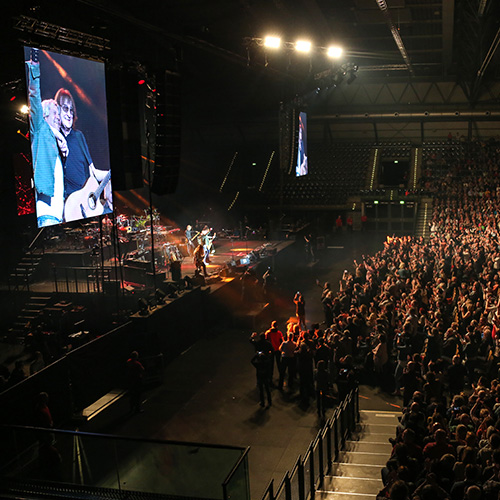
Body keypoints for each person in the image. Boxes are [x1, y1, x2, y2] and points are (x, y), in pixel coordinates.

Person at [54, 87, 112, 221]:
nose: (69, 114)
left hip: (88, 202)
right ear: (57, 110)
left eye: (71, 110)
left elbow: (93, 173)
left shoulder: (79, 136)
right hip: (71, 204)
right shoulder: (54, 139)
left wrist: (110, 173)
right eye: (65, 109)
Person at [26, 56, 68, 227]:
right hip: (46, 215)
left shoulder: (57, 141)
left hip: (57, 216)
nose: (59, 118)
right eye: (55, 114)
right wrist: (35, 70)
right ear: (45, 115)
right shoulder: (40, 129)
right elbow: (34, 98)